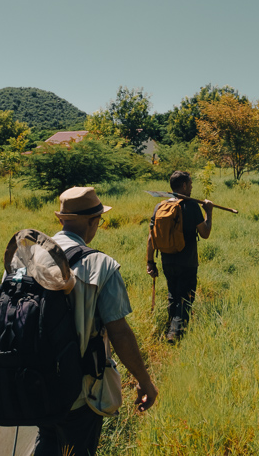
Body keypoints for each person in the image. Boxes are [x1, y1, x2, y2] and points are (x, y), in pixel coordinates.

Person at [39, 186, 158, 456]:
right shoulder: (101, 265)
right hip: (79, 392)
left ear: (62, 219)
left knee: (47, 440)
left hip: (33, 383)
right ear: (93, 222)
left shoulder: (30, 257)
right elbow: (120, 333)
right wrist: (144, 381)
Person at [146, 171, 214, 344]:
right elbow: (205, 233)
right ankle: (175, 336)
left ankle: (171, 326)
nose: (191, 187)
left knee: (173, 295)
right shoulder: (191, 206)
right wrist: (208, 212)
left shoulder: (159, 206)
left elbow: (151, 237)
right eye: (190, 184)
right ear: (184, 185)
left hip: (167, 260)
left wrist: (150, 262)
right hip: (187, 262)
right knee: (185, 298)